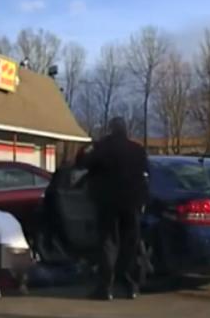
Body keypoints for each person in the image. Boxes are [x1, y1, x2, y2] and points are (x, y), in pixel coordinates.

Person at [76, 117, 149, 301]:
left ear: (111, 129)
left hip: (107, 203)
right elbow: (145, 174)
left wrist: (87, 149)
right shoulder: (137, 150)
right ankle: (131, 287)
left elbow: (82, 163)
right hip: (132, 203)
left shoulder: (102, 148)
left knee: (108, 244)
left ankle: (105, 288)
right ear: (125, 130)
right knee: (130, 245)